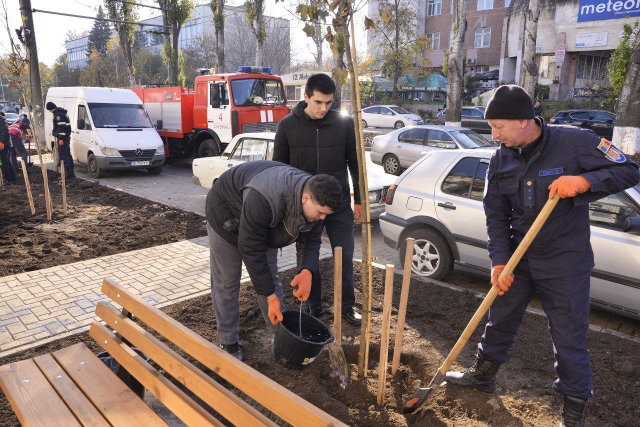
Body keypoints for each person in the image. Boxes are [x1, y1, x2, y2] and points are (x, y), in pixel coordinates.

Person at [443, 85, 640, 427]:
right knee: (500, 318)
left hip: (565, 261)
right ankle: (482, 375)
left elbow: (630, 170)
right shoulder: (500, 158)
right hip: (519, 258)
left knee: (568, 335)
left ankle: (574, 409)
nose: (494, 134)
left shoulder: (575, 142)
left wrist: (582, 182)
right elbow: (495, 214)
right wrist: (500, 261)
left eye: (500, 127)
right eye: (492, 127)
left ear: (523, 121)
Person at [206, 160, 343, 361]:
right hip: (226, 214)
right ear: (306, 198)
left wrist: (307, 271)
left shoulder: (312, 198)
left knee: (270, 276)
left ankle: (279, 332)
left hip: (262, 224)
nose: (323, 218)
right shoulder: (265, 196)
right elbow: (252, 250)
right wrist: (270, 298)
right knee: (227, 282)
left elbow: (311, 241)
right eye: (321, 212)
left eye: (326, 214)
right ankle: (228, 341)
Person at [273, 73, 363, 325]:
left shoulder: (344, 124)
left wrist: (360, 201)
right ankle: (314, 305)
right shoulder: (288, 126)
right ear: (305, 98)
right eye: (318, 102)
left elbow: (355, 163)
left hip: (339, 204)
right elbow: (278, 171)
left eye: (329, 103)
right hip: (306, 207)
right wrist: (284, 209)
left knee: (344, 255)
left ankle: (346, 305)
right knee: (308, 254)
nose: (324, 108)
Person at [46, 101, 75, 179]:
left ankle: (67, 173)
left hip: (63, 137)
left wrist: (61, 139)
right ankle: (71, 172)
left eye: (49, 110)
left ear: (51, 109)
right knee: (67, 154)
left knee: (63, 155)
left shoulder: (58, 115)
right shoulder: (62, 113)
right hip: (66, 136)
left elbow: (62, 127)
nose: (49, 111)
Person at [0, 112, 16, 185]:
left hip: (4, 144)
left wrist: (2, 142)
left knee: (4, 161)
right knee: (6, 161)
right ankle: (12, 178)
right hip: (3, 143)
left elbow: (5, 131)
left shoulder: (1, 119)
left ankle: (8, 180)